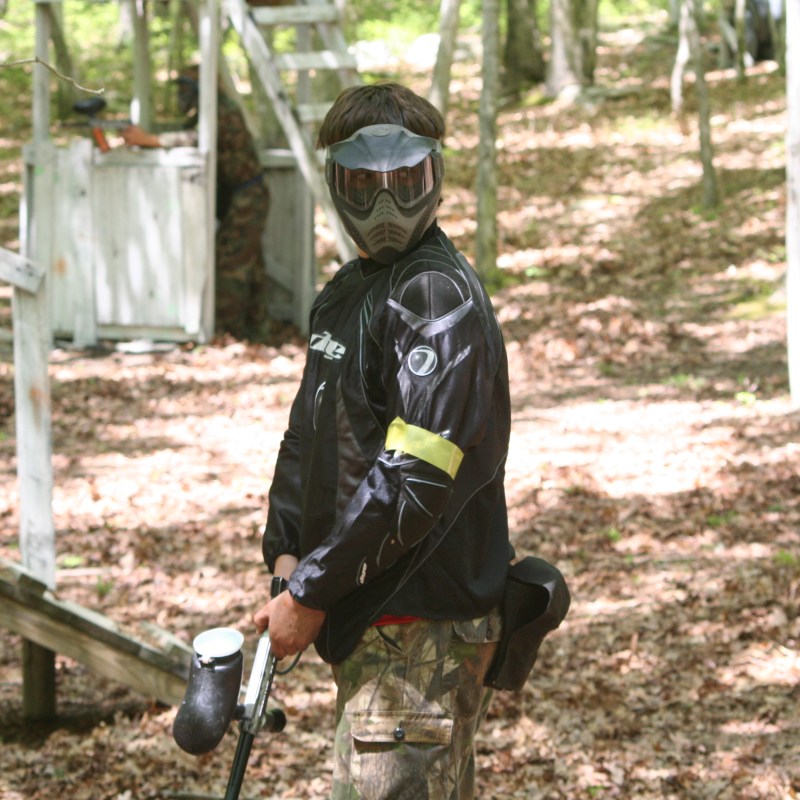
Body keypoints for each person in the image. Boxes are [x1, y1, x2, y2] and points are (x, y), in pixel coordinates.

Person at [254, 82, 512, 800]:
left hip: (417, 622)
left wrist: (311, 589)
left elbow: (413, 478)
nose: (387, 205)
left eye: (406, 181)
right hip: (375, 614)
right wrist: (286, 557)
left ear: (435, 174)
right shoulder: (350, 290)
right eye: (364, 185)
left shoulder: (433, 298)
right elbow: (308, 433)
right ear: (336, 182)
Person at [121, 66, 271, 342]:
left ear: (201, 89)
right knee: (248, 262)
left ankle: (230, 332)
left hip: (248, 195)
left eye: (186, 88)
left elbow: (199, 139)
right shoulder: (209, 110)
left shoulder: (221, 110)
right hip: (241, 195)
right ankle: (256, 331)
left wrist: (152, 140)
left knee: (231, 264)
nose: (181, 95)